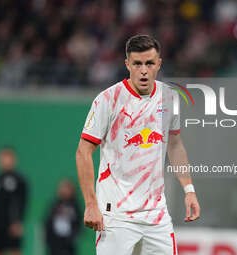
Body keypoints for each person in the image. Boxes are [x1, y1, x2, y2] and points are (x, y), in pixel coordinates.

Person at [76, 34, 200, 255]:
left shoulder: (170, 97)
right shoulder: (108, 99)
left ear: (159, 64)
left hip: (156, 215)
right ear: (127, 65)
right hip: (116, 216)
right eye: (137, 64)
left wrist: (189, 190)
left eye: (150, 63)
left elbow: (175, 144)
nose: (144, 70)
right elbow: (83, 152)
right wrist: (91, 204)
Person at [0, 146, 28, 255]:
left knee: (15, 250)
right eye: (4, 158)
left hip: (13, 223)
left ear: (14, 160)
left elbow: (22, 203)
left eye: (8, 158)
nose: (6, 161)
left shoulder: (19, 180)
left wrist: (18, 221)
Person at [44, 179, 82, 255]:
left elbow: (79, 223)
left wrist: (73, 237)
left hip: (68, 243)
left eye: (67, 189)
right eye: (63, 188)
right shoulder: (55, 205)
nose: (65, 191)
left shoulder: (75, 206)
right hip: (54, 242)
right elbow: (48, 221)